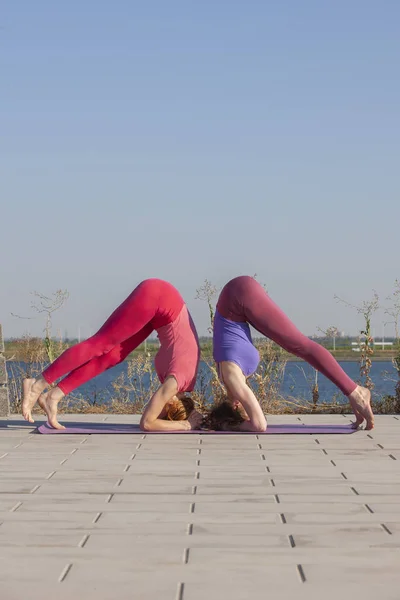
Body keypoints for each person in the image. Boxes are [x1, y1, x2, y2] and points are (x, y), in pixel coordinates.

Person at [22, 278, 203, 431]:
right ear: (171, 403)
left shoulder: (181, 383)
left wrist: (193, 417)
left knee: (113, 356)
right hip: (159, 296)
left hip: (161, 312)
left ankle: (53, 396)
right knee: (100, 344)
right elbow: (148, 422)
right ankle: (36, 384)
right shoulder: (176, 381)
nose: (155, 408)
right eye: (162, 412)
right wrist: (186, 425)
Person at [212, 275, 374, 432]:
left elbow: (259, 425)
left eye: (246, 415)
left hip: (237, 296)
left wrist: (230, 426)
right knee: (298, 345)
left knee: (300, 345)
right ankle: (354, 391)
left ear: (236, 406)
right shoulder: (235, 374)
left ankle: (356, 391)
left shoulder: (231, 378)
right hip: (237, 302)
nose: (252, 409)